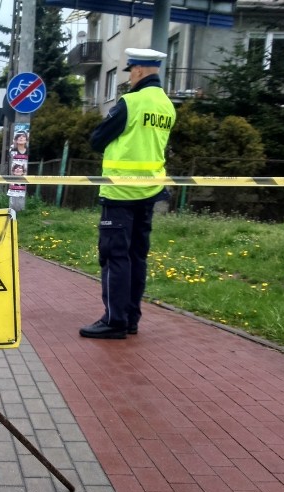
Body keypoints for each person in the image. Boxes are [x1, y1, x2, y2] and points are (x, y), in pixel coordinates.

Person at [79, 48, 176, 340]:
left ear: (138, 71)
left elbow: (98, 139)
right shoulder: (167, 106)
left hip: (121, 192)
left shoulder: (131, 103)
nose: (130, 77)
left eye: (131, 71)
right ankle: (131, 318)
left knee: (115, 257)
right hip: (149, 192)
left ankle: (115, 321)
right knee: (136, 257)